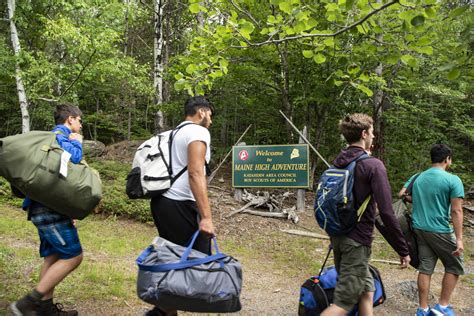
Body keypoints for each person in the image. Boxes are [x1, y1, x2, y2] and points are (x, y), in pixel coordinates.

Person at [321, 113, 410, 316]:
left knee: (367, 290)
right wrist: (402, 249)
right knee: (343, 303)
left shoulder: (338, 162)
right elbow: (387, 213)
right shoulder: (373, 165)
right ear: (364, 134)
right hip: (356, 242)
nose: (374, 136)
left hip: (338, 235)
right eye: (372, 132)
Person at [11, 104, 84, 316]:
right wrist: (77, 144)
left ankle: (45, 309)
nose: (80, 125)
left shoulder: (51, 138)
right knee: (73, 256)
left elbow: (58, 176)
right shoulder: (59, 136)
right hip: (47, 208)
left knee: (52, 256)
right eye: (79, 120)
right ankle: (27, 303)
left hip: (42, 206)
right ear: (70, 119)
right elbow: (72, 160)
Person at [148, 96, 216, 316]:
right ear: (202, 112)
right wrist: (206, 216)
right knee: (195, 261)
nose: (211, 122)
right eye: (211, 116)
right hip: (179, 204)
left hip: (163, 202)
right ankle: (161, 310)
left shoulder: (174, 133)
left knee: (176, 259)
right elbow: (196, 172)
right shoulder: (198, 131)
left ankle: (166, 310)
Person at [398, 144, 464, 316]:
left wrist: (421, 200)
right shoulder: (453, 180)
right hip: (439, 229)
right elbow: (456, 211)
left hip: (419, 228)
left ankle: (423, 309)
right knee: (454, 265)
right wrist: (459, 239)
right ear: (447, 159)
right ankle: (442, 306)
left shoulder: (418, 177)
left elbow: (402, 194)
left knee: (426, 267)